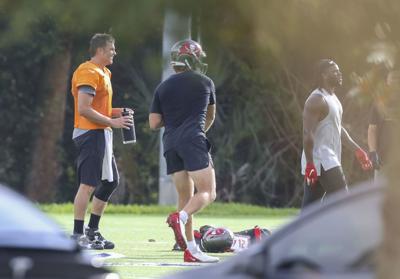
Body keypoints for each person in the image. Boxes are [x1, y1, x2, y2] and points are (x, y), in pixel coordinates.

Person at [149, 39, 219, 263]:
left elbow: (153, 123)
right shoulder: (205, 82)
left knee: (185, 197)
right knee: (208, 192)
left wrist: (174, 118)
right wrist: (197, 132)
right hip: (192, 139)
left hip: (170, 142)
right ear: (192, 59)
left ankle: (190, 249)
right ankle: (180, 217)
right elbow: (210, 116)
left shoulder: (162, 87)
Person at [71, 33, 133, 249]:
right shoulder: (87, 71)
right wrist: (112, 122)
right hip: (90, 134)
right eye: (111, 48)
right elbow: (84, 109)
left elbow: (99, 108)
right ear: (99, 50)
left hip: (101, 133)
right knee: (87, 185)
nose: (114, 52)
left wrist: (118, 113)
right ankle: (78, 236)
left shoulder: (104, 72)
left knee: (110, 181)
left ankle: (92, 231)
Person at [301, 59, 372, 209]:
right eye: (334, 72)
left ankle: (300, 233)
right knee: (343, 201)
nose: (339, 74)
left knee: (310, 208)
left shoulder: (333, 98)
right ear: (323, 75)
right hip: (321, 159)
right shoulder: (316, 99)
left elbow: (338, 129)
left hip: (327, 159)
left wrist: (357, 150)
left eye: (339, 71)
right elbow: (308, 134)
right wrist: (309, 164)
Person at [368, 70, 398, 180]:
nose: (396, 81)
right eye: (393, 78)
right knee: (380, 194)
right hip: (383, 159)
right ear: (387, 82)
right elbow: (372, 129)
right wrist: (373, 152)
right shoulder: (380, 102)